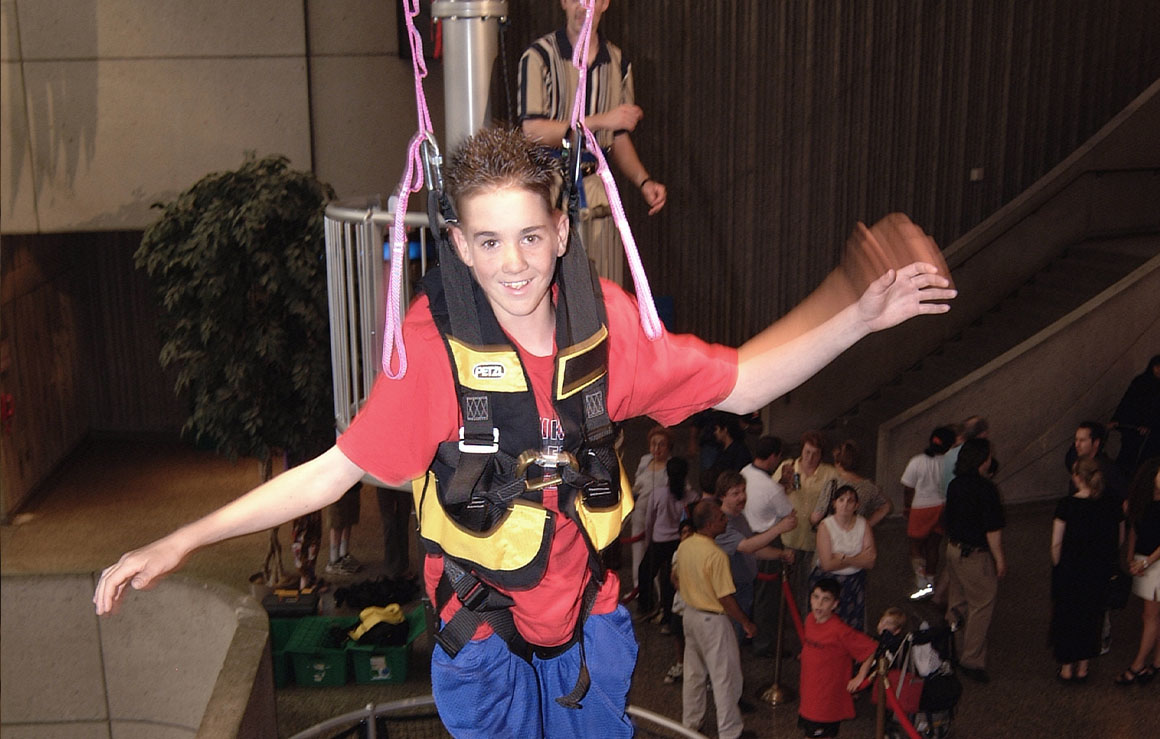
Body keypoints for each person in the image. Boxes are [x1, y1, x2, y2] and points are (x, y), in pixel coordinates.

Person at [93, 126, 954, 736]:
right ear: (460, 248)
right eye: (490, 240)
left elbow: (743, 378)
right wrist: (184, 537)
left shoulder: (605, 328)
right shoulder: (433, 357)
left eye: (532, 236)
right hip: (484, 640)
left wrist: (858, 319)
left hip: (589, 627)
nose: (514, 263)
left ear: (562, 233)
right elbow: (329, 472)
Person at [519, 0, 667, 285]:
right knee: (548, 285)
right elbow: (533, 131)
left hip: (596, 189)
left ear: (604, 3)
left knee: (604, 285)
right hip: (546, 188)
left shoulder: (617, 61)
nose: (582, 7)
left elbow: (618, 137)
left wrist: (644, 181)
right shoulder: (539, 56)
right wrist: (600, 121)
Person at [674, 499, 756, 739]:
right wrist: (745, 622)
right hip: (713, 622)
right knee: (724, 677)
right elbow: (725, 598)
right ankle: (730, 732)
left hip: (689, 616)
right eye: (721, 518)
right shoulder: (716, 555)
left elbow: (675, 577)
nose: (726, 520)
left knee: (693, 674)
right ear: (710, 525)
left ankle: (690, 724)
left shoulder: (685, 546)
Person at [1050, 457, 1123, 681]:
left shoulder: (1067, 505)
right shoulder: (1111, 504)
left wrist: (1058, 564)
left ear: (1077, 478)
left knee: (1067, 617)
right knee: (1091, 617)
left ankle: (1066, 668)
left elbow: (1056, 544)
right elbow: (1119, 538)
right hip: (1097, 570)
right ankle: (1083, 667)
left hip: (1071, 570)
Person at [943, 437, 1006, 683]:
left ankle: (951, 648)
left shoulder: (955, 484)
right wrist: (1000, 560)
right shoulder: (987, 490)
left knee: (956, 602)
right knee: (981, 604)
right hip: (974, 556)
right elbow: (993, 531)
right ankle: (971, 660)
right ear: (982, 460)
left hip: (953, 550)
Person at [715, 470, 797, 642]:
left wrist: (780, 554)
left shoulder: (739, 517)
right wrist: (779, 528)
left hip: (744, 587)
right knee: (728, 641)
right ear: (722, 496)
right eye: (735, 493)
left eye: (743, 491)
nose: (742, 497)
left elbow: (755, 549)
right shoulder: (720, 523)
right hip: (731, 591)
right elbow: (746, 546)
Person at [798, 578, 878, 739]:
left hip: (827, 701)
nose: (819, 604)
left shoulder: (839, 630)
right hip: (809, 696)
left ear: (834, 604)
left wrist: (860, 676)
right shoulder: (809, 620)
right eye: (816, 597)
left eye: (825, 599)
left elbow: (870, 648)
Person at [742, 435, 796, 655]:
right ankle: (765, 644)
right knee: (767, 597)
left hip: (746, 536)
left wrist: (781, 484)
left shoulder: (745, 472)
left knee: (750, 593)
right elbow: (789, 516)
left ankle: (748, 633)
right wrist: (784, 488)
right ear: (774, 456)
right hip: (766, 538)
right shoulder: (772, 489)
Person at [779, 431, 841, 617]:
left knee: (809, 586)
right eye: (807, 452)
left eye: (815, 453)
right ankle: (785, 621)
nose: (810, 457)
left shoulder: (830, 473)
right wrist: (783, 483)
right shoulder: (787, 467)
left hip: (815, 539)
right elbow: (772, 496)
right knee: (785, 584)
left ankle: (806, 621)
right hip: (789, 535)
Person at [638, 456, 698, 628]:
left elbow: (649, 521)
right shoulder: (692, 497)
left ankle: (647, 607)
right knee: (671, 580)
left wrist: (648, 541)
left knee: (645, 572)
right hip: (679, 543)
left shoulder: (658, 494)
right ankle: (669, 617)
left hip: (658, 541)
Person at [1115, 456, 1160, 684]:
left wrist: (1146, 562)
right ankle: (1157, 662)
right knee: (1153, 614)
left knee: (1150, 616)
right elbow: (1134, 529)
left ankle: (1137, 665)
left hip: (1155, 562)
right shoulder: (1140, 500)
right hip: (1145, 560)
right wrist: (1132, 557)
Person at [810, 485, 877, 631]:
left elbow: (870, 560)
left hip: (854, 582)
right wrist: (859, 558)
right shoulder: (825, 526)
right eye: (841, 500)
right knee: (827, 624)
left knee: (851, 625)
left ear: (856, 505)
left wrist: (845, 558)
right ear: (834, 503)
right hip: (830, 581)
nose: (845, 504)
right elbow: (827, 564)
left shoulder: (863, 524)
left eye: (850, 501)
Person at [900, 426, 956, 600]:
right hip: (941, 507)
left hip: (920, 508)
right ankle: (931, 581)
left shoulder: (917, 461)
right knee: (933, 546)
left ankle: (920, 581)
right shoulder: (950, 463)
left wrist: (907, 507)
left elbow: (908, 488)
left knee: (915, 547)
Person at [624, 425, 676, 606]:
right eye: (654, 444)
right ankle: (640, 589)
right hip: (640, 513)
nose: (657, 449)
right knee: (638, 553)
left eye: (661, 445)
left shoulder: (672, 466)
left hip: (660, 519)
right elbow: (637, 483)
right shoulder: (645, 460)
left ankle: (661, 593)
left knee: (656, 557)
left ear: (669, 447)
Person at [811, 440, 892, 529]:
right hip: (856, 533)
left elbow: (817, 515)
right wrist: (867, 525)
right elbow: (886, 506)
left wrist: (810, 520)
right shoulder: (869, 487)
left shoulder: (833, 484)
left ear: (838, 463)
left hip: (832, 533)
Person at [1109, 355, 1160, 476]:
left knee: (1145, 465)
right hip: (1133, 430)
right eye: (1157, 367)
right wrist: (1116, 420)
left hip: (1153, 437)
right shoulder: (1140, 382)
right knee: (1126, 459)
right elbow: (1127, 401)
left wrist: (1149, 426)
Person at [663, 518, 696, 684]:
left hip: (695, 603)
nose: (687, 535)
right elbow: (674, 578)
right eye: (684, 532)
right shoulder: (677, 553)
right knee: (678, 634)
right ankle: (680, 663)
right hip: (680, 602)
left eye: (690, 532)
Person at [323, 483, 363, 575]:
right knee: (337, 520)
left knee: (349, 517)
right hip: (337, 486)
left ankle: (343, 554)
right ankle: (334, 560)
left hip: (352, 484)